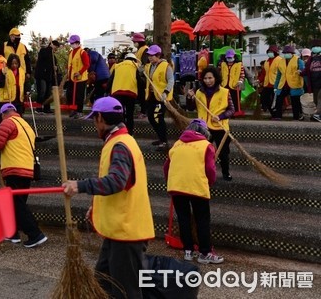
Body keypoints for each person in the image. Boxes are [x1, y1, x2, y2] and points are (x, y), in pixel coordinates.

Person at [62, 97, 154, 299]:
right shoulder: (121, 141)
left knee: (125, 291)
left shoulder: (120, 145)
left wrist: (79, 185)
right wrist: (96, 206)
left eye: (94, 119)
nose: (95, 125)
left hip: (126, 232)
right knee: (103, 282)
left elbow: (116, 181)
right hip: (118, 230)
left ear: (101, 118)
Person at [163, 119, 224, 265]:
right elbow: (210, 170)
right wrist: (210, 182)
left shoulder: (177, 144)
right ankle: (205, 253)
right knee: (202, 220)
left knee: (184, 219)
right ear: (204, 132)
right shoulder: (206, 146)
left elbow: (166, 167)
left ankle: (188, 251)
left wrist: (171, 181)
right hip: (197, 187)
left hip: (176, 187)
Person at [0, 103, 47, 248]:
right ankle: (12, 234)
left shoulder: (7, 123)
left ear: (3, 114)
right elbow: (16, 147)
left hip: (15, 169)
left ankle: (35, 234)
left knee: (16, 203)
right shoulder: (26, 125)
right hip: (27, 168)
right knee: (17, 203)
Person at [186, 66, 235, 181]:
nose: (208, 81)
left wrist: (220, 116)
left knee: (223, 153)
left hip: (220, 127)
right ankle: (202, 173)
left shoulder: (225, 92)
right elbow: (190, 108)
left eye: (210, 78)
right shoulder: (198, 92)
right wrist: (189, 97)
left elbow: (232, 110)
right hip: (203, 128)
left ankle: (225, 173)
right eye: (205, 78)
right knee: (202, 152)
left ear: (216, 78)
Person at [144, 44, 173, 150]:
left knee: (158, 118)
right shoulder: (150, 66)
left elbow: (171, 80)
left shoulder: (166, 66)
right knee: (151, 117)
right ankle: (161, 138)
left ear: (158, 55)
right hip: (151, 96)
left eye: (152, 55)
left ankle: (164, 141)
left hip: (161, 97)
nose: (150, 57)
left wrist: (166, 92)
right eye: (149, 55)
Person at [108, 53, 140, 134]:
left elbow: (110, 81)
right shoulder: (135, 66)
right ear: (134, 60)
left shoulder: (117, 66)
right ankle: (129, 133)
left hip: (117, 94)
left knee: (119, 114)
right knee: (129, 115)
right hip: (130, 94)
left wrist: (107, 92)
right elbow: (139, 81)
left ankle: (120, 132)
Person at [272, 45, 305, 121]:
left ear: (292, 53)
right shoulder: (281, 61)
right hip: (283, 84)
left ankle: (296, 117)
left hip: (295, 83)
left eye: (288, 52)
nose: (286, 54)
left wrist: (300, 71)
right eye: (285, 52)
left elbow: (303, 70)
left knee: (295, 101)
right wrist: (276, 86)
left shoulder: (298, 60)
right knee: (279, 100)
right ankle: (278, 116)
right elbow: (278, 75)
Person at [66, 34, 90, 118]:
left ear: (77, 43)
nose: (71, 45)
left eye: (72, 43)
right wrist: (68, 76)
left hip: (80, 78)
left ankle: (79, 111)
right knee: (70, 95)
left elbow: (87, 65)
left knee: (79, 96)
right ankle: (73, 110)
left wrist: (80, 72)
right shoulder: (71, 52)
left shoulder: (82, 52)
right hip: (72, 78)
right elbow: (69, 65)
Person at [34, 39, 60, 114]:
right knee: (42, 91)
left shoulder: (54, 57)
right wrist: (50, 49)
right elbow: (43, 58)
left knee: (47, 94)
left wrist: (56, 69)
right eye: (56, 47)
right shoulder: (43, 51)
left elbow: (55, 67)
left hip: (49, 77)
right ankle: (38, 108)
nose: (56, 50)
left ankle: (46, 108)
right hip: (41, 76)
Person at [219, 48, 245, 115]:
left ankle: (235, 112)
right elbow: (219, 73)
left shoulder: (239, 64)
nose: (229, 59)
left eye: (230, 57)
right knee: (225, 99)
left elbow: (242, 74)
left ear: (234, 57)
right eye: (228, 57)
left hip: (235, 85)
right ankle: (226, 112)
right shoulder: (222, 64)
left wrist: (240, 81)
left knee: (235, 100)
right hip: (224, 85)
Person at [303, 39, 321, 122]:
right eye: (314, 47)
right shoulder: (311, 58)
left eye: (317, 46)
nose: (315, 48)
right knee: (316, 100)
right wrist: (300, 72)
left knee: (320, 98)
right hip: (314, 83)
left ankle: (318, 114)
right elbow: (307, 70)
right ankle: (317, 115)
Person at [132, 32, 149, 118]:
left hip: (144, 75)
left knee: (142, 94)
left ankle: (144, 112)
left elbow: (144, 62)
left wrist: (139, 69)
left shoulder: (145, 49)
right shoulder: (139, 50)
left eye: (134, 41)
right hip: (140, 74)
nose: (134, 43)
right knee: (140, 94)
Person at [261, 45, 281, 113]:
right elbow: (264, 73)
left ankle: (275, 114)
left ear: (275, 52)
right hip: (267, 84)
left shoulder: (279, 60)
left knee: (274, 100)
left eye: (271, 51)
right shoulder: (266, 62)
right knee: (264, 98)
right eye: (269, 52)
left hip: (275, 84)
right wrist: (259, 80)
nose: (270, 53)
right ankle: (271, 112)